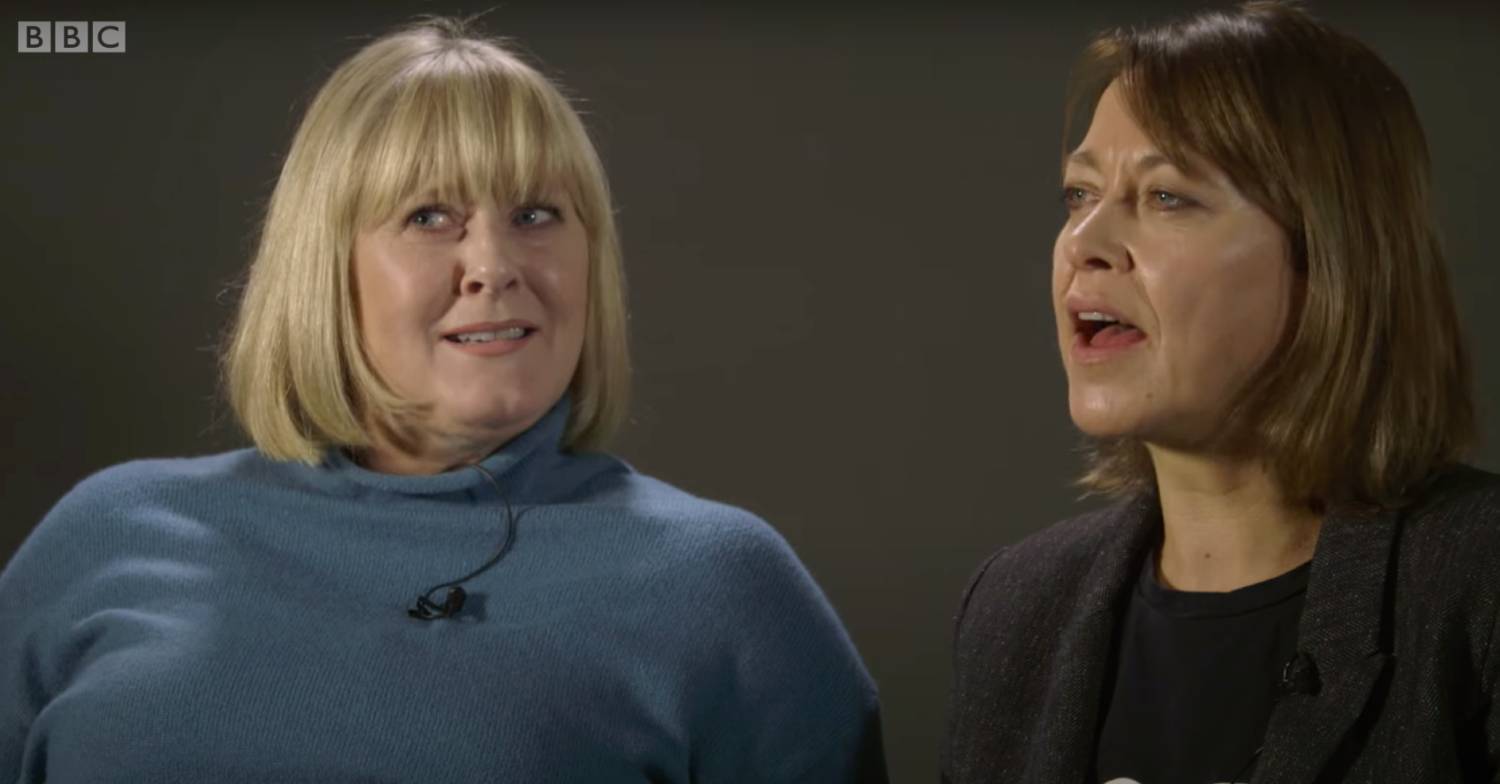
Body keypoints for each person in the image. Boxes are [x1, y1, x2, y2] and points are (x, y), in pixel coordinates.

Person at [0, 16, 886, 783]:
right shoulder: (107, 534)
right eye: (430, 217)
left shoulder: (722, 584)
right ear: (324, 266)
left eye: (537, 214)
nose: (494, 265)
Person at [944, 2, 1498, 782]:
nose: (1085, 246)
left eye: (1167, 196)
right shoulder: (1013, 611)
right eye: (1078, 195)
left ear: (1329, 258)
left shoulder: (1478, 585)